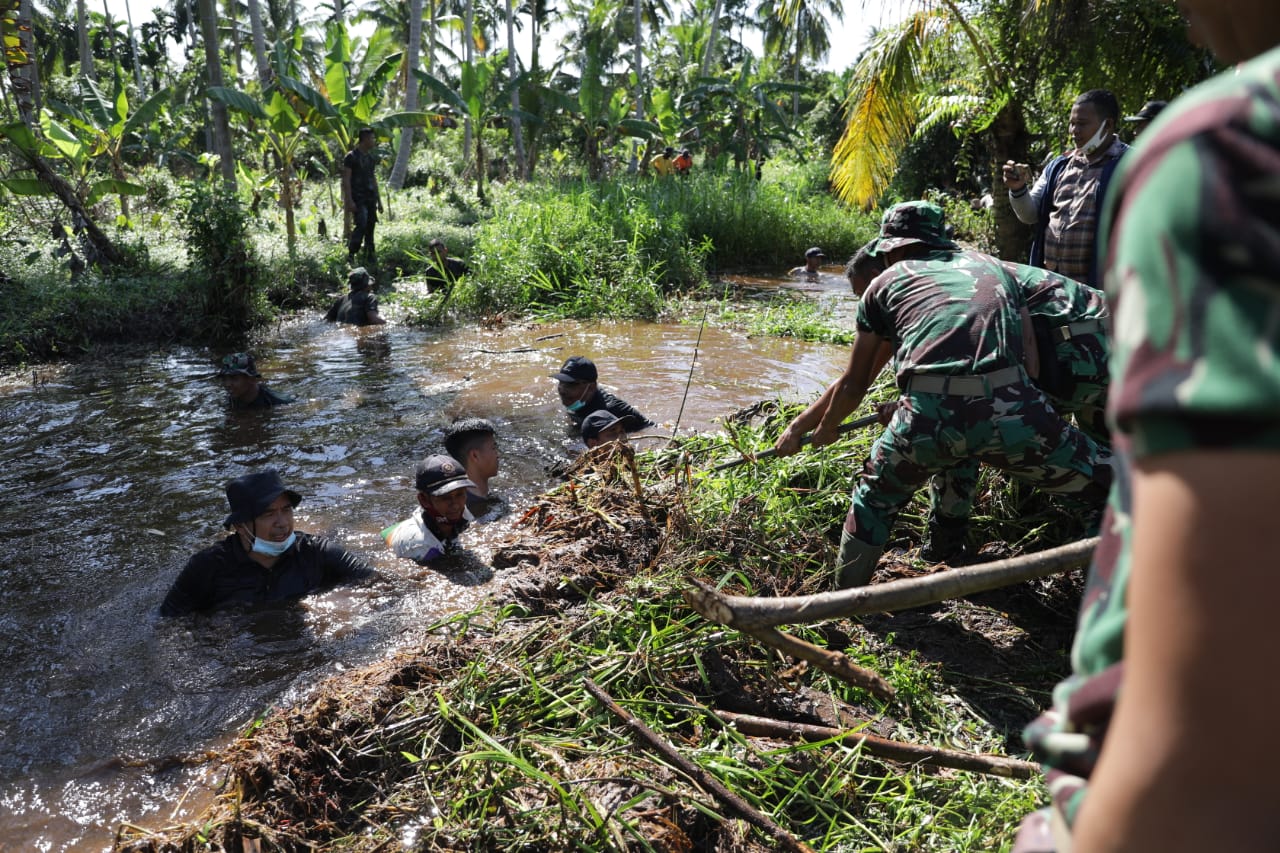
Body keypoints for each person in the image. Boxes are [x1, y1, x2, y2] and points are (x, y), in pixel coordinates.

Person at [1016, 9, 1280, 852]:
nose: (1190, 20)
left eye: (1078, 118)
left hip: (1109, 314)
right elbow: (1029, 214)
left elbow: (1201, 747)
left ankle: (1081, 504)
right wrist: (1008, 186)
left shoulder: (1216, 155)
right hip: (1069, 309)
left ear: (1106, 118)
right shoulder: (1064, 166)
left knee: (1115, 438)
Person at [774, 201, 1111, 589]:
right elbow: (1029, 368)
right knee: (1107, 481)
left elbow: (853, 384)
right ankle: (1094, 585)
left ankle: (845, 602)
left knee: (874, 498)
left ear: (892, 250)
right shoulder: (992, 266)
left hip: (1073, 362)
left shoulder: (889, 282)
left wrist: (830, 428)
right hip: (1027, 394)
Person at [159, 470, 375, 616]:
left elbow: (380, 585)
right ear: (240, 525)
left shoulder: (319, 552)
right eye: (268, 514)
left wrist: (338, 604)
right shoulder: (206, 567)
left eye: (286, 510)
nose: (282, 523)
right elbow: (167, 625)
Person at [1003, 89, 1129, 287]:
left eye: (1082, 124)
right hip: (1053, 288)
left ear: (1108, 125)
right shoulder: (1059, 165)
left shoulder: (1131, 165)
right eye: (1072, 123)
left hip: (1099, 295)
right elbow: (1030, 214)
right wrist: (1018, 189)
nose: (1074, 131)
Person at [382, 455, 475, 564]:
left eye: (460, 494)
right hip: (393, 542)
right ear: (424, 500)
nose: (455, 505)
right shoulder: (422, 546)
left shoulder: (459, 511)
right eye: (445, 497)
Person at [552, 355, 655, 434]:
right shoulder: (574, 400)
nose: (562, 389)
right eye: (561, 382)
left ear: (591, 387)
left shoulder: (611, 410)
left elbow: (650, 428)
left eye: (571, 384)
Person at [443, 417, 504, 520]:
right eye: (493, 448)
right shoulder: (465, 510)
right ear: (475, 455)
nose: (498, 455)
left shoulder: (466, 497)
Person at [342, 127, 381, 266]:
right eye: (371, 138)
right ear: (364, 139)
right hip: (358, 198)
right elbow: (346, 180)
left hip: (371, 197)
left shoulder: (370, 158)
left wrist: (379, 200)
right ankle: (352, 254)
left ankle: (370, 255)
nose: (374, 141)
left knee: (370, 226)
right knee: (361, 224)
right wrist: (349, 200)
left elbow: (373, 179)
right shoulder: (351, 157)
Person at [216, 352, 294, 409]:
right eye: (224, 379)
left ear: (252, 379)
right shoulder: (230, 400)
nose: (227, 384)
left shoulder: (277, 403)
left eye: (234, 378)